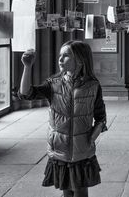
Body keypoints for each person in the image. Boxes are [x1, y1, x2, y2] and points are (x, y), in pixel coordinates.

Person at [19, 41, 107, 197]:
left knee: (80, 192)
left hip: (82, 151)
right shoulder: (53, 84)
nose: (60, 59)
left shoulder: (93, 86)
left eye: (66, 56)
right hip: (60, 149)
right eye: (60, 55)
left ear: (80, 60)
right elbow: (26, 93)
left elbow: (100, 117)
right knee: (66, 191)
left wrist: (91, 138)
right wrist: (27, 67)